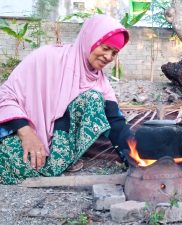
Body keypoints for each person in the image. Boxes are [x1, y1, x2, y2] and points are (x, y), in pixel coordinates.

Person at [0, 15, 133, 184]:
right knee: (13, 161)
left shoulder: (98, 82)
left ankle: (56, 163)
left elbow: (116, 122)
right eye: (105, 48)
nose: (108, 57)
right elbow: (5, 96)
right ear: (90, 39)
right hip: (24, 134)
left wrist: (137, 157)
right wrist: (26, 133)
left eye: (114, 53)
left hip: (57, 154)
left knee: (93, 98)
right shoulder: (46, 58)